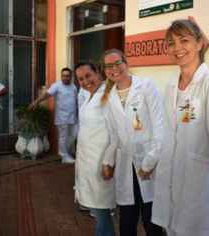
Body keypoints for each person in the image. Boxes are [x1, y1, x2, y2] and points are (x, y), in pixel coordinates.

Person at [151, 19, 209, 236]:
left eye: (184, 40)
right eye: (171, 43)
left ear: (199, 43)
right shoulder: (171, 86)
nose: (177, 48)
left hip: (200, 188)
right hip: (170, 184)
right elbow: (168, 135)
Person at [101, 49, 164, 236]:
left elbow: (160, 128)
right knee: (127, 221)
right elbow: (114, 135)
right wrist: (108, 160)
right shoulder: (109, 97)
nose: (115, 68)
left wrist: (149, 162)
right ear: (105, 71)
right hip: (125, 165)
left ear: (126, 64)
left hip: (148, 163)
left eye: (118, 62)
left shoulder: (145, 87)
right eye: (109, 65)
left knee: (151, 221)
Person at [74, 60, 116, 236]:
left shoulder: (108, 96)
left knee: (101, 210)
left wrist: (108, 161)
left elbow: (116, 133)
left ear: (98, 72)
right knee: (99, 210)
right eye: (81, 79)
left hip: (100, 163)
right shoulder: (89, 97)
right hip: (87, 161)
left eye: (88, 75)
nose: (85, 81)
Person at [28, 68, 78, 164]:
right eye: (63, 76)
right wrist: (36, 101)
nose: (65, 78)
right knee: (63, 136)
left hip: (73, 116)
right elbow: (47, 94)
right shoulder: (57, 85)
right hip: (62, 116)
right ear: (61, 76)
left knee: (75, 133)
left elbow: (76, 99)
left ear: (71, 77)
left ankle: (62, 151)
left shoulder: (73, 87)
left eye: (67, 76)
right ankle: (64, 156)